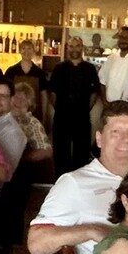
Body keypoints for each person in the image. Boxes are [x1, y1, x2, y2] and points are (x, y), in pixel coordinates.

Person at [28, 103, 128, 254]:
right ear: (99, 139)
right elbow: (36, 243)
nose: (125, 140)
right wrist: (91, 230)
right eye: (116, 132)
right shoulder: (75, 183)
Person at [47, 35, 105, 173]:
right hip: (61, 117)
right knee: (60, 154)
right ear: (67, 48)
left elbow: (94, 94)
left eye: (77, 46)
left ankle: (79, 185)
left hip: (82, 117)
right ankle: (60, 185)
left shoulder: (90, 69)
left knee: (82, 154)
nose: (74, 49)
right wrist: (61, 109)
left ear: (82, 48)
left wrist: (84, 109)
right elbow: (53, 94)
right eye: (71, 46)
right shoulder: (59, 68)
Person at [8, 80, 54, 163]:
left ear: (29, 104)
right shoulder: (1, 116)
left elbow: (47, 151)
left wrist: (22, 158)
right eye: (16, 97)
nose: (19, 101)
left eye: (24, 99)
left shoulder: (31, 123)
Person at [5, 39, 52, 104]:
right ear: (20, 51)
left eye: (29, 48)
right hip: (15, 110)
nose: (26, 51)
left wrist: (44, 113)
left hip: (34, 111)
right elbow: (6, 92)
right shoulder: (11, 71)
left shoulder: (39, 73)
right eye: (23, 48)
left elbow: (43, 95)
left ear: (33, 51)